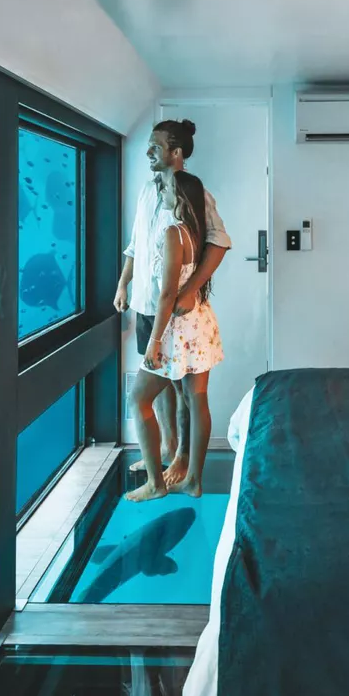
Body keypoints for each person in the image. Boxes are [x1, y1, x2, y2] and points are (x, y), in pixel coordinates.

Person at [114, 119, 230, 485]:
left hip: (176, 313)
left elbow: (220, 242)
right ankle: (165, 449)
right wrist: (123, 284)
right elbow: (136, 245)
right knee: (161, 386)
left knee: (182, 388)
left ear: (176, 153)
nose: (148, 152)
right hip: (146, 307)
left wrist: (191, 288)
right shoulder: (149, 192)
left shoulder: (194, 195)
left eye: (155, 146)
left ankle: (182, 461)